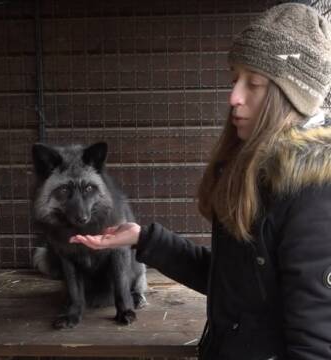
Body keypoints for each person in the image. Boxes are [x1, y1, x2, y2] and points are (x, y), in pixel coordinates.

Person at [69, 3, 331, 359]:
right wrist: (145, 240)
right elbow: (233, 285)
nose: (234, 97)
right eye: (233, 79)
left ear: (292, 98)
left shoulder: (314, 195)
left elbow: (315, 346)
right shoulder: (253, 169)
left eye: (253, 83)